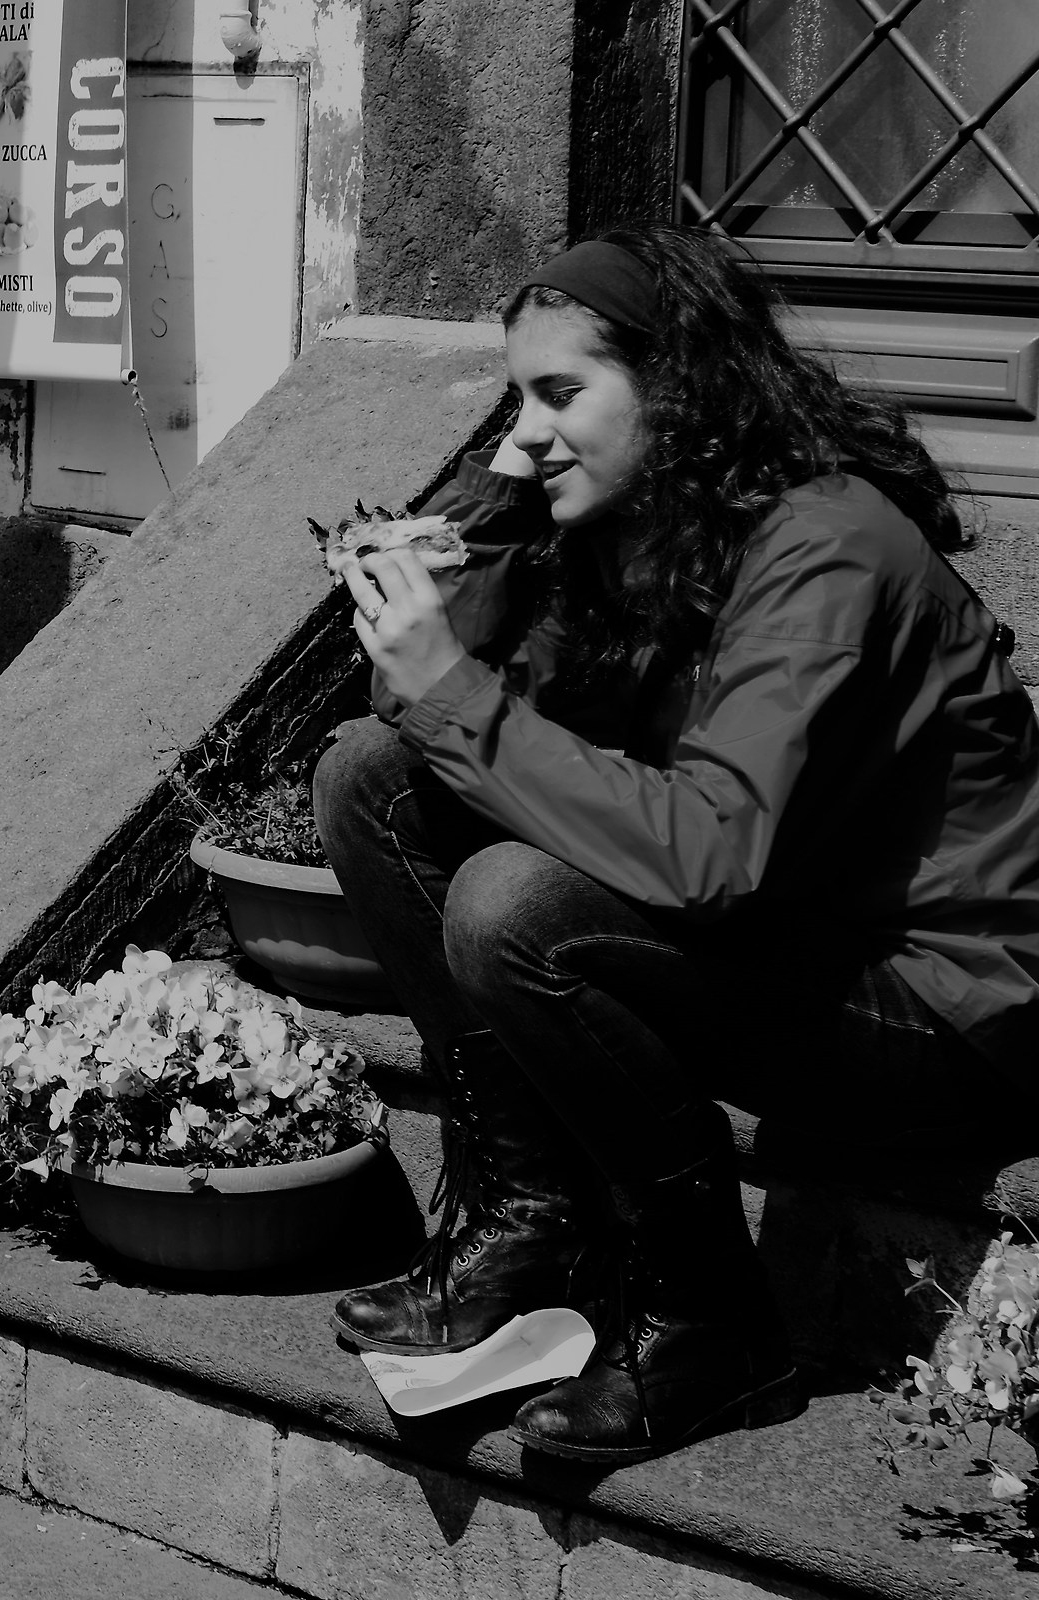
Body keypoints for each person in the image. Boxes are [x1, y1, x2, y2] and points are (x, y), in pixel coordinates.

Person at [317, 221, 1039, 1464]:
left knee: (511, 905)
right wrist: (465, 622)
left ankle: (711, 1313)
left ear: (680, 386)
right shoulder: (640, 534)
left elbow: (706, 851)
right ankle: (532, 1220)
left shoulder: (828, 542)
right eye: (514, 396)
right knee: (368, 775)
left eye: (559, 393)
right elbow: (547, 761)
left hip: (951, 1011)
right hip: (794, 937)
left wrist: (453, 691)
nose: (518, 435)